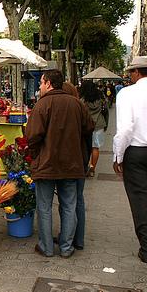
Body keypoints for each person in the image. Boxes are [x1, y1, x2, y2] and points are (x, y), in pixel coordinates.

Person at [26, 70, 94, 258]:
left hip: (47, 164)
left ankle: (46, 247)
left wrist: (36, 152)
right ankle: (66, 247)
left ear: (48, 83)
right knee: (69, 205)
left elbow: (32, 136)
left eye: (41, 82)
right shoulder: (77, 104)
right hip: (71, 164)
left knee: (44, 206)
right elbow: (89, 127)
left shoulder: (42, 104)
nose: (39, 86)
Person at [113, 56, 147, 264]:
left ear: (136, 72)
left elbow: (125, 128)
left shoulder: (127, 94)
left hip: (136, 151)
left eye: (130, 72)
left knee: (139, 198)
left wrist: (118, 155)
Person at [62, 82, 92, 250]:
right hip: (80, 160)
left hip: (65, 162)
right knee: (78, 199)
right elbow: (89, 135)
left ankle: (67, 237)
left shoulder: (60, 110)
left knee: (67, 202)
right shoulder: (81, 109)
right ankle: (78, 239)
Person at [80, 80, 108, 178]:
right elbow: (106, 111)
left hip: (86, 126)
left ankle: (86, 167)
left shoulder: (82, 100)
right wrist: (106, 125)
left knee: (86, 147)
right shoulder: (101, 98)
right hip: (99, 124)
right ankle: (92, 169)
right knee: (95, 148)